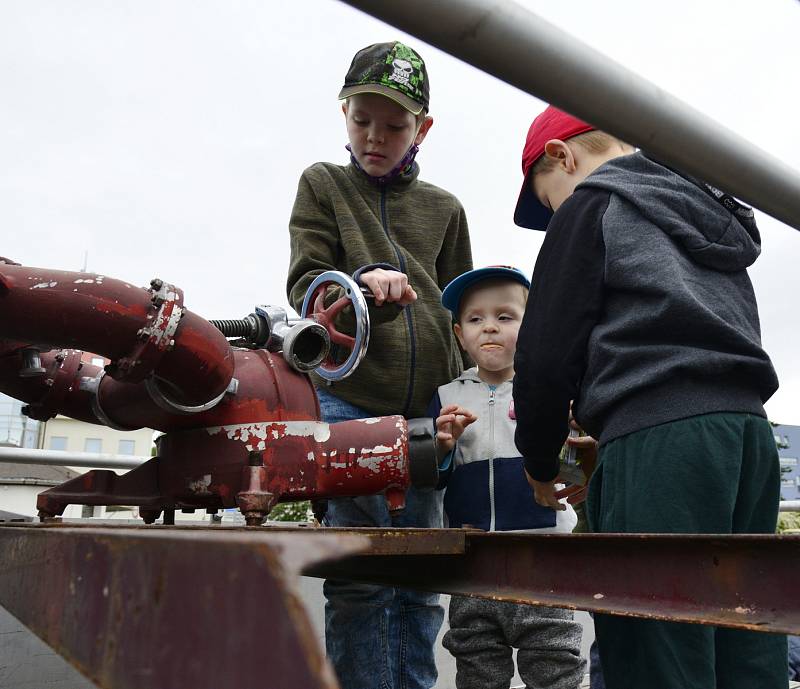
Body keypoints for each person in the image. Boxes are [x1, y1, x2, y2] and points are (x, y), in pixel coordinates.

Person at [511, 105, 787, 689]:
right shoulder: (706, 214)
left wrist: (540, 461)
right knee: (749, 638)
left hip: (661, 440)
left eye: (549, 200)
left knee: (657, 643)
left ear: (563, 156)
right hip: (749, 436)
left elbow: (544, 352)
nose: (555, 214)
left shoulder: (592, 204)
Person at [286, 41, 472, 689]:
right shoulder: (324, 184)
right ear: (344, 112)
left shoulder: (445, 209)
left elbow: (461, 309)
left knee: (419, 576)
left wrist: (471, 392)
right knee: (362, 574)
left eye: (394, 125)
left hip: (428, 410)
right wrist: (361, 284)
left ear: (423, 128)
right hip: (350, 400)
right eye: (362, 119)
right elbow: (306, 287)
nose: (375, 136)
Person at [430, 265, 585, 689]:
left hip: (543, 553)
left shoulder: (556, 393)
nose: (489, 329)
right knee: (476, 658)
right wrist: (442, 448)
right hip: (473, 556)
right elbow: (434, 478)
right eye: (475, 319)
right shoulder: (446, 398)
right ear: (460, 335)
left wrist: (570, 438)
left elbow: (576, 475)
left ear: (531, 326)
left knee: (553, 661)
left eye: (505, 316)